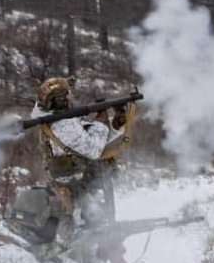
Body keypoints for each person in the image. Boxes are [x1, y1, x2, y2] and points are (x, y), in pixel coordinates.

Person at [33, 76, 136, 229]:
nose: (70, 98)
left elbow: (89, 141)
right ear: (61, 100)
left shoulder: (57, 119)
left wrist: (116, 123)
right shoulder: (63, 125)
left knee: (96, 227)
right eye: (67, 95)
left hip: (80, 181)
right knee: (93, 231)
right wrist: (102, 118)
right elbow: (94, 150)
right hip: (77, 185)